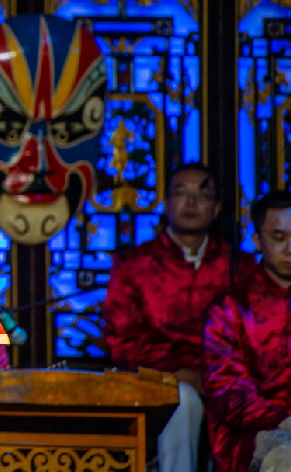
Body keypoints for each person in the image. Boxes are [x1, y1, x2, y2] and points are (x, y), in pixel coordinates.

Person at [102, 162, 256, 472]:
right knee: (182, 399)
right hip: (159, 378)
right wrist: (179, 372)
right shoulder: (134, 264)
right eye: (180, 193)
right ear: (166, 203)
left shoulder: (240, 267)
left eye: (202, 195)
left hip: (224, 377)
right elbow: (121, 341)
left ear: (216, 208)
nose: (191, 203)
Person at [204, 190, 291, 472]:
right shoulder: (230, 307)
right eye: (279, 238)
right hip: (254, 434)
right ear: (257, 241)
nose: (290, 248)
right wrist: (283, 418)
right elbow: (229, 391)